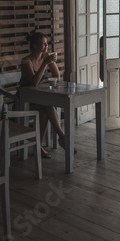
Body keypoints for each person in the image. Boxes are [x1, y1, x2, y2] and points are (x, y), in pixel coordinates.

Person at [20, 30, 73, 159]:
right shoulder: (26, 61)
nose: (46, 47)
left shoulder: (46, 57)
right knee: (48, 106)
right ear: (35, 46)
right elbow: (34, 82)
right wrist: (45, 64)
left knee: (44, 111)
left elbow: (57, 76)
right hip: (25, 101)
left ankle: (38, 146)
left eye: (47, 44)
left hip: (40, 100)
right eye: (43, 44)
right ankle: (62, 137)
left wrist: (47, 67)